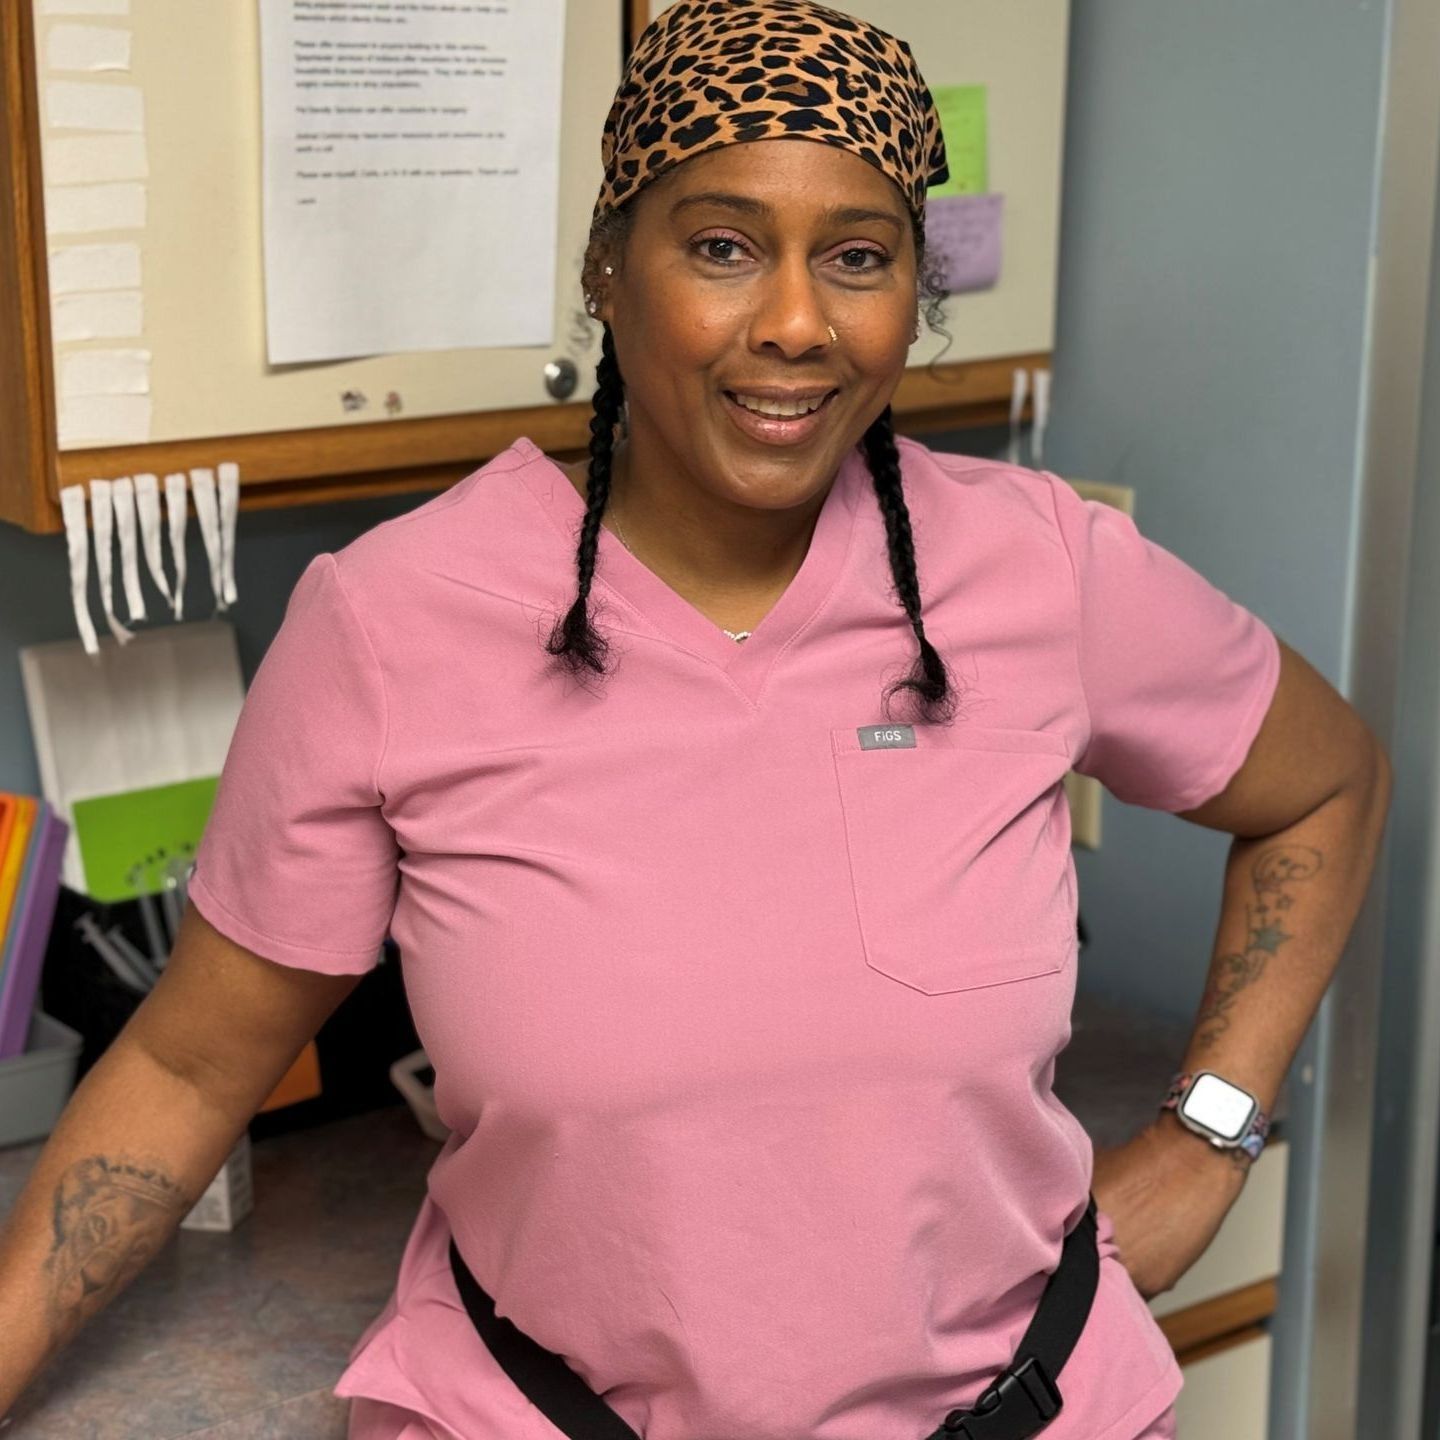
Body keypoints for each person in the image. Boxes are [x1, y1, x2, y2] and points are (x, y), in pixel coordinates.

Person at [0, 3, 1392, 1438]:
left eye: (857, 257)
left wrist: (1210, 1133)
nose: (794, 321)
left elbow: (1325, 783)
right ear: (610, 268)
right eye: (722, 247)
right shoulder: (392, 626)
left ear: (914, 292)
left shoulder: (1044, 569)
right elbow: (181, 1067)